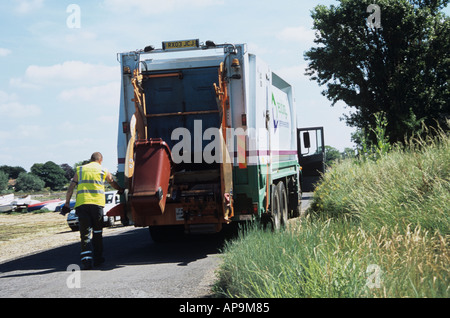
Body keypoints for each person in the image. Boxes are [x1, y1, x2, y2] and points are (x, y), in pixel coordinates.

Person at [62, 152, 124, 270]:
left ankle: (86, 260)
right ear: (100, 160)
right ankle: (98, 258)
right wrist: (120, 189)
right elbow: (112, 182)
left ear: (91, 160)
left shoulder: (80, 170)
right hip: (97, 205)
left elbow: (71, 188)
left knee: (84, 234)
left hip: (82, 205)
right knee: (97, 232)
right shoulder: (103, 170)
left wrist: (66, 203)